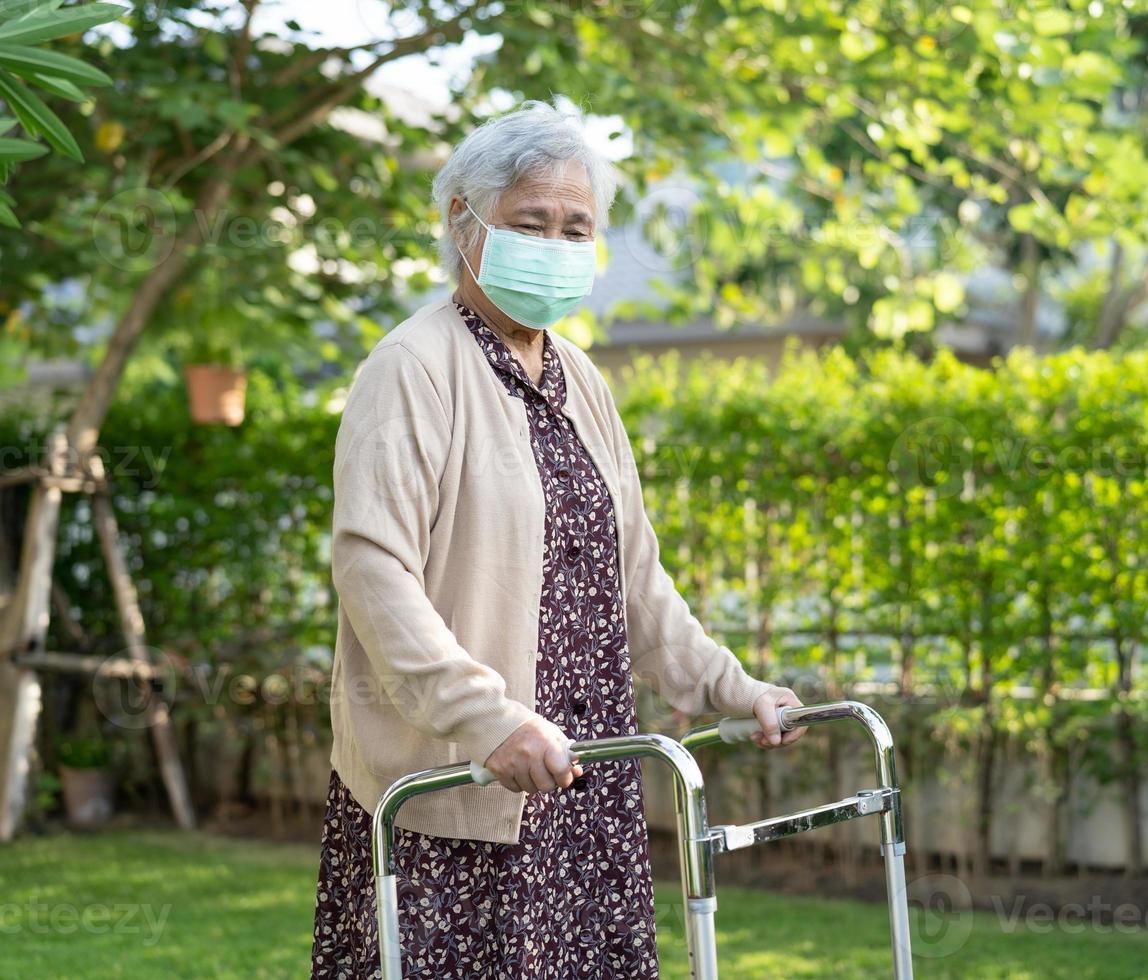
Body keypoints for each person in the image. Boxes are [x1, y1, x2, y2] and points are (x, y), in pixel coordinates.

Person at [309, 99, 807, 979]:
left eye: (576, 228)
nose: (558, 243)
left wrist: (731, 687)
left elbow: (634, 579)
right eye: (531, 222)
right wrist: (486, 720)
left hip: (586, 781)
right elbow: (371, 568)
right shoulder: (411, 368)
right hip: (462, 789)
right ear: (464, 225)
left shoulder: (580, 378)